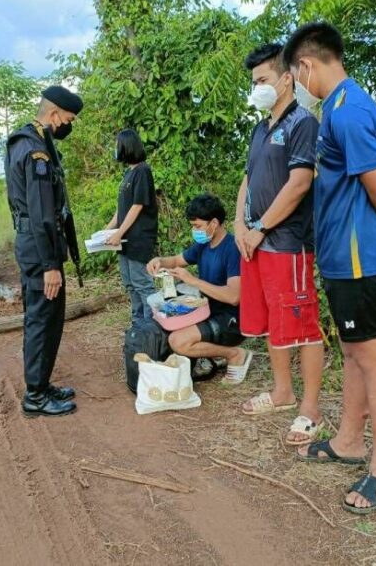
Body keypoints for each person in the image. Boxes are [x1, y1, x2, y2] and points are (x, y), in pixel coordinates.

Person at [283, 22, 376, 515]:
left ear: (306, 66)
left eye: (294, 76)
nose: (298, 85)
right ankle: (349, 441)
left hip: (358, 259)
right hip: (343, 255)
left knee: (374, 358)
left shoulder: (350, 110)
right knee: (354, 350)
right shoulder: (338, 109)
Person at [234, 43, 325, 446]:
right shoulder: (260, 128)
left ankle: (310, 409)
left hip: (287, 245)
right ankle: (282, 392)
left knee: (302, 325)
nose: (257, 89)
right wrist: (240, 224)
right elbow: (249, 179)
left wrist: (262, 228)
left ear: (286, 78)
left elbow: (300, 182)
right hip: (255, 244)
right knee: (274, 321)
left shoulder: (302, 123)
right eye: (253, 82)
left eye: (263, 80)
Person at [5, 86, 83, 417]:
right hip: (40, 249)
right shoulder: (34, 151)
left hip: (39, 244)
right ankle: (35, 395)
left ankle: (42, 382)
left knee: (48, 318)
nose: (69, 125)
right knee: (41, 318)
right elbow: (40, 213)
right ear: (53, 115)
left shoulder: (30, 142)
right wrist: (51, 264)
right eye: (68, 119)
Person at [146, 194, 251, 383]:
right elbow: (177, 260)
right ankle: (209, 355)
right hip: (207, 311)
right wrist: (160, 261)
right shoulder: (203, 245)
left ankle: (234, 354)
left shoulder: (232, 249)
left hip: (231, 319)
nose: (195, 231)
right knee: (163, 320)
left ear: (214, 223)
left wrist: (193, 281)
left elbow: (235, 296)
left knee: (177, 341)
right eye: (193, 226)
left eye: (198, 226)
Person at [104, 129, 158, 329]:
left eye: (118, 145)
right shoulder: (129, 173)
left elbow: (137, 206)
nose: (116, 149)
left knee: (142, 284)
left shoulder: (143, 171)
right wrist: (107, 230)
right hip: (125, 240)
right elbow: (122, 208)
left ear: (127, 146)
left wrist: (118, 233)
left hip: (138, 239)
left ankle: (151, 327)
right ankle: (137, 324)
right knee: (130, 284)